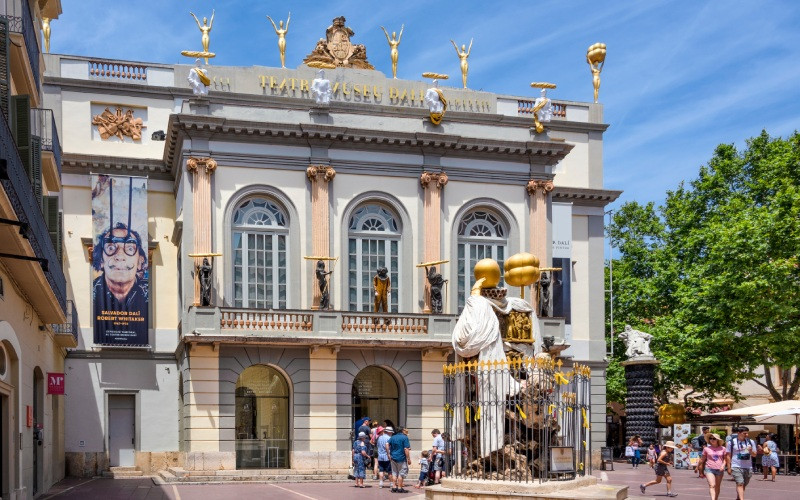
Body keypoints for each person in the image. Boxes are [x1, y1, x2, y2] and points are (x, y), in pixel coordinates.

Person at [93, 222, 149, 342]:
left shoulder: (149, 296)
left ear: (140, 261)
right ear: (101, 260)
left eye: (129, 248)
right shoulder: (91, 294)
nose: (119, 256)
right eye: (111, 248)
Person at [726, 426, 758, 500]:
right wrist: (729, 467)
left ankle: (739, 498)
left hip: (748, 466)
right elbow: (728, 456)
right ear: (738, 433)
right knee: (740, 483)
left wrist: (750, 451)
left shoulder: (751, 442)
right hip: (736, 465)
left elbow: (754, 455)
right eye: (744, 433)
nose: (746, 435)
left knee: (744, 484)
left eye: (747, 433)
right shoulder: (731, 442)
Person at [697, 433, 727, 500]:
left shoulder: (723, 448)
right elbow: (702, 459)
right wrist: (697, 467)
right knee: (712, 485)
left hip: (719, 469)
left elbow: (725, 458)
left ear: (718, 440)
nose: (712, 440)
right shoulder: (706, 449)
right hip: (709, 468)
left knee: (717, 486)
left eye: (714, 438)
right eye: (710, 438)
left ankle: (716, 498)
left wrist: (723, 465)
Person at [388, 425, 411, 493]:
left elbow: (387, 444)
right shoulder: (404, 437)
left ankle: (394, 487)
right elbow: (406, 449)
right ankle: (400, 487)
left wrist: (388, 453)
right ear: (402, 430)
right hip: (401, 458)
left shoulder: (392, 437)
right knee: (401, 474)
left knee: (394, 473)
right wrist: (408, 459)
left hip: (393, 457)